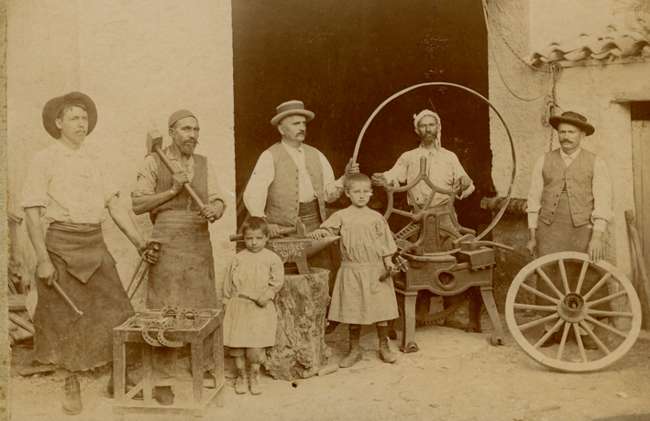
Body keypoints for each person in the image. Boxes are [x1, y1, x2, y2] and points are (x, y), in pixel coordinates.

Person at [21, 92, 157, 415]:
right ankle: (71, 383)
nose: (81, 124)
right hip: (59, 245)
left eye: (84, 119)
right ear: (58, 123)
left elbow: (114, 205)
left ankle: (119, 378)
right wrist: (41, 258)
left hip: (94, 243)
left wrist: (139, 241)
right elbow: (31, 212)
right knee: (65, 317)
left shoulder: (96, 160)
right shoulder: (44, 159)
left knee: (117, 308)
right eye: (73, 118)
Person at [131, 109, 227, 403]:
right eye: (186, 129)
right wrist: (173, 189)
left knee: (202, 303)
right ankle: (161, 379)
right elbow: (137, 203)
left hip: (199, 240)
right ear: (171, 132)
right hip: (167, 240)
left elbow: (219, 198)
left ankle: (207, 367)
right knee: (164, 308)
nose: (193, 135)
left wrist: (216, 208)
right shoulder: (153, 161)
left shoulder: (203, 163)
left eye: (196, 130)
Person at [371, 109, 479, 331]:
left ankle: (450, 314)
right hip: (418, 216)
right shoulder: (408, 157)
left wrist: (465, 183)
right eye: (423, 126)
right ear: (417, 130)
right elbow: (393, 176)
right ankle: (420, 315)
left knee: (451, 261)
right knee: (418, 261)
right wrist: (383, 179)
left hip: (445, 217)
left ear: (438, 127)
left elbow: (467, 185)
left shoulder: (450, 157)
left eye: (432, 125)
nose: (428, 129)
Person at [526, 110, 612, 348]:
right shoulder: (544, 160)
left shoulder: (596, 162)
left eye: (571, 132)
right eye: (562, 132)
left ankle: (586, 330)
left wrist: (597, 235)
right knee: (549, 277)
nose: (566, 136)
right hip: (548, 229)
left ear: (582, 134)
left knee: (585, 277)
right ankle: (551, 328)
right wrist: (533, 234)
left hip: (582, 229)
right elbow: (533, 199)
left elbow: (603, 201)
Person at [310, 173, 399, 367]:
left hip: (375, 269)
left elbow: (385, 244)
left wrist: (389, 262)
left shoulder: (376, 218)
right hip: (351, 269)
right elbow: (328, 230)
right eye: (356, 192)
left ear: (371, 193)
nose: (361, 195)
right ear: (347, 194)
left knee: (380, 309)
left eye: (365, 192)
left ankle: (384, 346)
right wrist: (321, 231)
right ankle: (354, 349)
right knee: (353, 309)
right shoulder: (342, 216)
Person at [243, 99, 358, 236]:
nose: (302, 128)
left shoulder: (316, 154)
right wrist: (265, 223)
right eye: (296, 124)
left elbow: (328, 196)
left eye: (304, 123)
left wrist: (346, 177)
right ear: (281, 129)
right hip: (282, 232)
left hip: (317, 228)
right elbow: (253, 195)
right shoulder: (269, 156)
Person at [223, 217, 284, 395]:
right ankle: (241, 376)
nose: (254, 242)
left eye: (258, 238)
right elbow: (227, 285)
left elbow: (277, 281)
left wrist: (268, 295)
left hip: (260, 308)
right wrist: (227, 303)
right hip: (239, 307)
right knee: (237, 345)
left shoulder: (272, 258)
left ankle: (254, 375)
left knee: (255, 346)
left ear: (266, 238)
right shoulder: (237, 259)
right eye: (249, 238)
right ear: (244, 239)